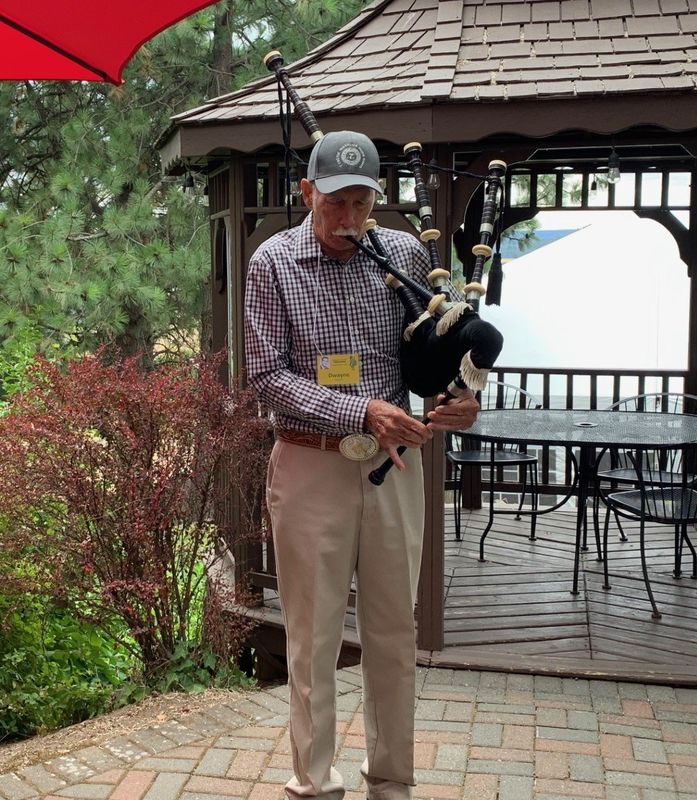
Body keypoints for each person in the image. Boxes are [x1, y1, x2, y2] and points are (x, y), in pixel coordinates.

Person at [244, 130, 481, 800]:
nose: (349, 219)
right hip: (309, 463)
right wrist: (362, 412)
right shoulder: (273, 263)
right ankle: (314, 782)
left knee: (391, 632)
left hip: (395, 466)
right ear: (306, 193)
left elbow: (431, 361)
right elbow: (264, 375)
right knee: (312, 638)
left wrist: (455, 400)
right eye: (336, 204)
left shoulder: (402, 254)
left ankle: (393, 784)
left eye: (361, 203)